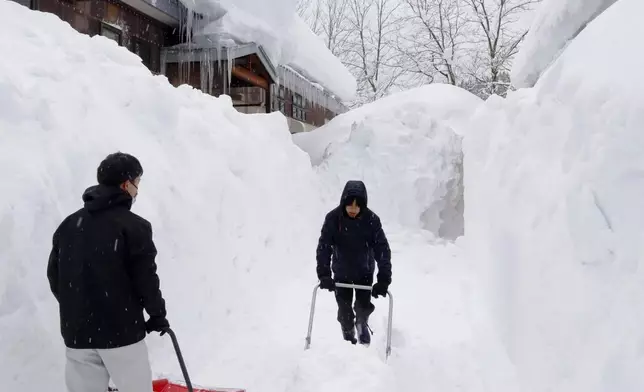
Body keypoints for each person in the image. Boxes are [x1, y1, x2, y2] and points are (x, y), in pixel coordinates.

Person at [47, 152, 169, 392]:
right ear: (126, 184)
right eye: (137, 183)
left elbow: (55, 277)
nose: (137, 190)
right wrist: (157, 315)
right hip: (121, 334)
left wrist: (79, 305)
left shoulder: (69, 225)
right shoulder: (135, 227)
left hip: (77, 334)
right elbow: (145, 279)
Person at [316, 180, 392, 345]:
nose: (353, 209)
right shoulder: (333, 219)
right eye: (350, 205)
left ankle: (362, 323)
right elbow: (324, 247)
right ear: (344, 202)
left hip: (364, 272)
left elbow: (382, 250)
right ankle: (348, 334)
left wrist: (384, 279)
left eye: (357, 206)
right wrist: (324, 275)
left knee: (362, 306)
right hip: (341, 272)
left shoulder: (372, 221)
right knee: (344, 311)